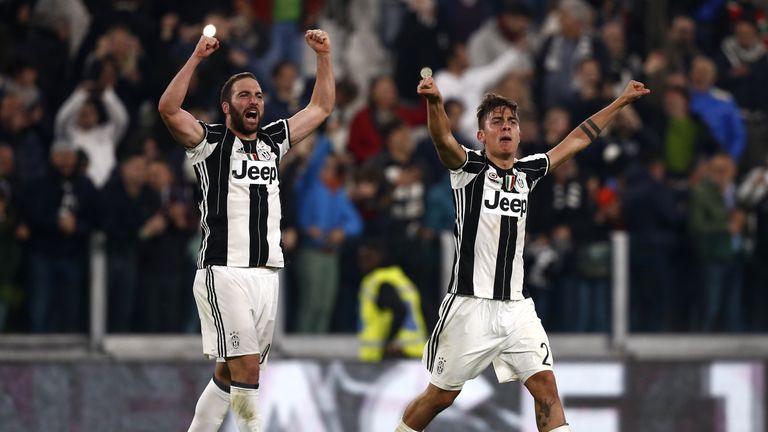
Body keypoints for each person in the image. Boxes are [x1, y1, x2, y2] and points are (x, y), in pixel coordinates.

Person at [394, 76, 648, 432]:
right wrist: (435, 103)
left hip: (516, 308)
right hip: (470, 305)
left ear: (519, 134)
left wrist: (620, 102)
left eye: (511, 122)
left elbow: (577, 138)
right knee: (440, 397)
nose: (506, 127)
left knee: (546, 388)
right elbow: (442, 139)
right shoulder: (469, 170)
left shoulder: (528, 172)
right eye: (496, 122)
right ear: (481, 136)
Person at [157, 29, 334, 432]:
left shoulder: (273, 141)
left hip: (266, 274)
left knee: (228, 374)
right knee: (248, 368)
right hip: (224, 270)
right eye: (244, 95)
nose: (253, 101)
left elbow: (322, 107)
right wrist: (197, 58)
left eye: (258, 95)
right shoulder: (210, 142)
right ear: (226, 106)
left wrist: (323, 57)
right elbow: (168, 109)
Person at [358, 238, 427, 362]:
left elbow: (400, 310)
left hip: (396, 354)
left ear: (380, 256)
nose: (363, 261)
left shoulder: (381, 282)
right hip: (414, 351)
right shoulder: (400, 278)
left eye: (368, 256)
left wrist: (389, 342)